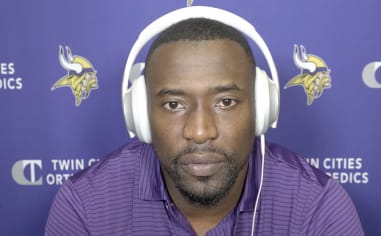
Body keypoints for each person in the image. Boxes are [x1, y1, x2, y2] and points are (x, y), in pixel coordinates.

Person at [45, 6, 364, 236]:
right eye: (173, 104)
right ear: (139, 114)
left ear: (262, 108)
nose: (200, 131)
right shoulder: (86, 206)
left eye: (225, 102)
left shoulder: (317, 209)